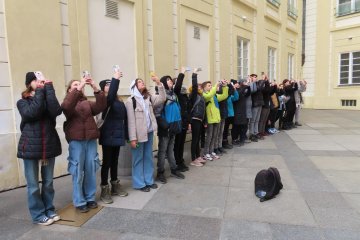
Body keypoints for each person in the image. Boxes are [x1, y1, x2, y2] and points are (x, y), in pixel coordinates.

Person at [17, 72, 62, 225]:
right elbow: (32, 113)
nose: (40, 82)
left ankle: (49, 209)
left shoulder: (45, 96)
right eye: (36, 80)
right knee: (33, 185)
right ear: (29, 84)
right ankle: (38, 214)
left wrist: (49, 88)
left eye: (41, 80)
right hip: (30, 147)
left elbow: (56, 110)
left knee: (48, 182)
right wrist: (41, 92)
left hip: (48, 145)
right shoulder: (22, 102)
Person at [62, 76, 107, 212]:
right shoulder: (68, 102)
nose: (78, 86)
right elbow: (66, 107)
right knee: (77, 171)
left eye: (79, 84)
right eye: (75, 85)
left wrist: (95, 87)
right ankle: (79, 200)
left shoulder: (87, 103)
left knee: (90, 169)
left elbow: (101, 106)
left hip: (90, 140)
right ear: (70, 89)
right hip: (76, 141)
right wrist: (80, 86)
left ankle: (90, 198)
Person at [125, 76, 165, 192]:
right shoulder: (130, 101)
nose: (142, 83)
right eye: (139, 82)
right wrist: (132, 138)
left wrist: (159, 83)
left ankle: (149, 180)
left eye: (143, 81)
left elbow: (162, 98)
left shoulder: (148, 97)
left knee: (148, 157)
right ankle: (139, 183)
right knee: (138, 158)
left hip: (149, 132)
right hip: (138, 136)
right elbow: (131, 122)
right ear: (134, 86)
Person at [98, 70, 129, 204]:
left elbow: (124, 118)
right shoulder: (105, 100)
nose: (110, 86)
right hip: (108, 134)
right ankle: (104, 188)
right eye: (107, 85)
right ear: (102, 89)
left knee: (115, 160)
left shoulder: (119, 101)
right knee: (107, 162)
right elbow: (110, 97)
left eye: (111, 84)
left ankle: (115, 185)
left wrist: (127, 134)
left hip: (118, 134)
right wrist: (115, 79)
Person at [155, 69, 187, 184]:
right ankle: (160, 173)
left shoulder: (173, 94)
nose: (170, 81)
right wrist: (165, 125)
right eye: (167, 80)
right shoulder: (161, 96)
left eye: (170, 79)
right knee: (162, 151)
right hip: (166, 128)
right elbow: (157, 113)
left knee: (170, 150)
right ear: (163, 83)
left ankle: (174, 169)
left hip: (174, 126)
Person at [202, 80, 228, 161]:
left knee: (214, 136)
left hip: (216, 119)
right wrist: (216, 84)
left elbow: (224, 96)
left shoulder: (214, 96)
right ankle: (206, 153)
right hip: (210, 120)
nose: (211, 87)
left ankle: (211, 151)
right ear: (204, 87)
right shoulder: (205, 95)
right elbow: (209, 95)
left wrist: (224, 86)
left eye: (211, 85)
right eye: (209, 85)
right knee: (209, 137)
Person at [188, 68, 206, 166]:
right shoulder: (193, 95)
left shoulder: (201, 96)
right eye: (198, 86)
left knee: (197, 139)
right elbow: (194, 86)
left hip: (199, 120)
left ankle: (198, 156)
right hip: (194, 119)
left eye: (200, 86)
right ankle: (193, 159)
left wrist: (204, 121)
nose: (199, 87)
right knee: (194, 139)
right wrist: (194, 74)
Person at [232, 79, 251, 146]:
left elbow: (248, 93)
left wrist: (248, 86)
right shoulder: (235, 90)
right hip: (237, 110)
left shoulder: (242, 90)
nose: (237, 84)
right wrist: (244, 86)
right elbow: (239, 94)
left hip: (243, 111)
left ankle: (242, 139)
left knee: (243, 125)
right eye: (236, 83)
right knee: (236, 126)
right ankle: (234, 139)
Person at [222, 79, 239, 149]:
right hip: (226, 115)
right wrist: (228, 85)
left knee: (234, 127)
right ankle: (224, 141)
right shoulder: (224, 95)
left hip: (231, 114)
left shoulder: (229, 96)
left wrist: (234, 90)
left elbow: (236, 97)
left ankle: (234, 139)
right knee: (225, 129)